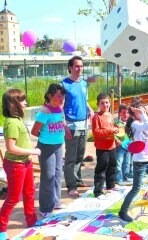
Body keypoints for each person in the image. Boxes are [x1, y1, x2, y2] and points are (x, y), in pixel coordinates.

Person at [0, 89, 43, 239]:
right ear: (14, 103)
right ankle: (1, 229)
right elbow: (11, 148)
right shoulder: (11, 122)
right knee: (13, 197)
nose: (26, 102)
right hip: (15, 165)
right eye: (22, 100)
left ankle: (31, 220)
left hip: (25, 162)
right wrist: (33, 151)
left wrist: (29, 154)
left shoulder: (18, 120)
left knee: (29, 191)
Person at [118, 97, 148, 222]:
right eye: (138, 111)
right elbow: (147, 127)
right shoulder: (135, 124)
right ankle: (122, 211)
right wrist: (142, 114)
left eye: (142, 109)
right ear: (133, 113)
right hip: (140, 163)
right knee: (136, 188)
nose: (141, 112)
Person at [31, 84, 70, 218]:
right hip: (46, 147)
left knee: (58, 174)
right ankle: (45, 207)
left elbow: (63, 123)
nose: (61, 98)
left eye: (63, 96)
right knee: (48, 177)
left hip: (59, 146)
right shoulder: (44, 112)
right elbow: (34, 131)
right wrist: (47, 137)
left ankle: (55, 201)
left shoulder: (60, 108)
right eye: (59, 96)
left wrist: (66, 132)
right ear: (50, 96)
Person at [61, 56, 94, 198]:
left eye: (81, 66)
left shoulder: (84, 84)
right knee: (71, 157)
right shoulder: (64, 84)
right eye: (76, 66)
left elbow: (84, 101)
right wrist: (64, 124)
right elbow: (60, 106)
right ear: (70, 68)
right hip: (71, 125)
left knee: (80, 154)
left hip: (83, 125)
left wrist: (90, 109)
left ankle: (78, 179)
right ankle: (71, 186)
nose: (79, 68)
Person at [92, 93, 118, 198]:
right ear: (98, 104)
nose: (105, 105)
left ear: (110, 103)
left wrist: (116, 133)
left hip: (112, 146)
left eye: (107, 103)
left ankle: (110, 186)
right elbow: (96, 132)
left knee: (112, 166)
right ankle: (98, 191)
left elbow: (112, 129)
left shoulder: (110, 115)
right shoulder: (96, 117)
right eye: (102, 103)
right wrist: (110, 130)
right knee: (101, 169)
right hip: (102, 148)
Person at [114, 104, 132, 185]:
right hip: (120, 147)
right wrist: (117, 140)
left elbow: (132, 134)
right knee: (119, 163)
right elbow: (113, 134)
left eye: (127, 113)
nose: (126, 115)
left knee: (127, 163)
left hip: (128, 147)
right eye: (124, 113)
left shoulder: (130, 123)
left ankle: (126, 177)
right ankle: (118, 178)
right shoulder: (117, 123)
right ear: (120, 113)